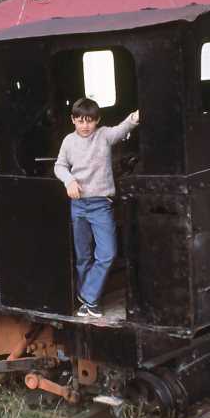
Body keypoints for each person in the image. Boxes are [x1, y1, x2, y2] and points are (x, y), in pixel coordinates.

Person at [54, 98, 140, 317]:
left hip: (101, 205)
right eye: (80, 121)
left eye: (90, 121)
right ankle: (90, 303)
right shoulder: (68, 141)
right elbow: (59, 166)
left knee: (107, 253)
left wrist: (135, 117)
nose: (85, 125)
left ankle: (87, 296)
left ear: (97, 120)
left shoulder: (104, 136)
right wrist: (69, 181)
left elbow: (122, 129)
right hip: (78, 205)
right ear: (73, 120)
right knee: (83, 257)